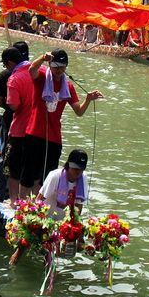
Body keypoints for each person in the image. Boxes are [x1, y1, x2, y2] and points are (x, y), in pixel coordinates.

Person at [23, 49, 104, 195]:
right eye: (56, 66)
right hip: (34, 133)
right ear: (49, 65)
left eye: (62, 66)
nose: (59, 70)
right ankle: (19, 205)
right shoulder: (41, 77)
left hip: (54, 136)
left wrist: (88, 99)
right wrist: (42, 57)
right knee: (29, 173)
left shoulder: (69, 87)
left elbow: (79, 111)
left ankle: (37, 206)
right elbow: (31, 70)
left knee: (46, 177)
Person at [0, 43, 29, 202]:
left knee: (4, 156)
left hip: (11, 120)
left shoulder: (7, 75)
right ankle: (23, 198)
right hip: (29, 120)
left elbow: (1, 102)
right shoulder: (34, 72)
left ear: (11, 63)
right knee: (25, 158)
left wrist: (11, 106)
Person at [5, 43, 38, 205]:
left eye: (5, 65)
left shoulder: (15, 78)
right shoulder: (43, 71)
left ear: (10, 64)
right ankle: (33, 204)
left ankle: (13, 202)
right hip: (38, 130)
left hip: (19, 131)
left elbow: (14, 106)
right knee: (35, 170)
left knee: (13, 169)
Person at [38, 149, 89, 221]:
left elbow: (79, 204)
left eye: (81, 169)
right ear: (68, 164)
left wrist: (76, 222)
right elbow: (40, 199)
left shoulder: (83, 177)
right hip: (48, 218)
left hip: (65, 221)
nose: (78, 171)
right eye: (75, 168)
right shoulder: (55, 176)